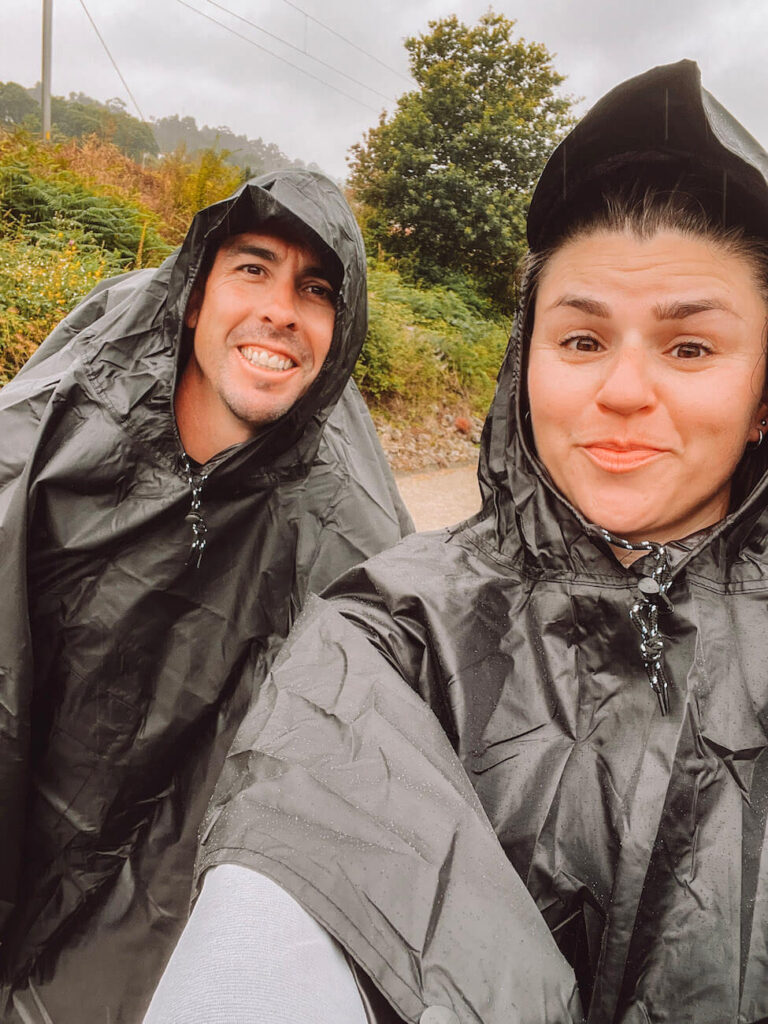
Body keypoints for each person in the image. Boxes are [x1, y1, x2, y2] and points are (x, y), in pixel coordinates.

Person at [147, 61, 768, 1024]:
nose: (624, 390)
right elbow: (278, 915)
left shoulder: (346, 498)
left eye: (690, 347)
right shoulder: (397, 630)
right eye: (582, 340)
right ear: (527, 363)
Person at [0, 168, 412, 1022]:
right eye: (252, 269)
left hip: (149, 873)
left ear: (339, 334)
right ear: (195, 298)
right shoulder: (70, 428)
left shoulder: (346, 523)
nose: (279, 311)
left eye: (316, 290)